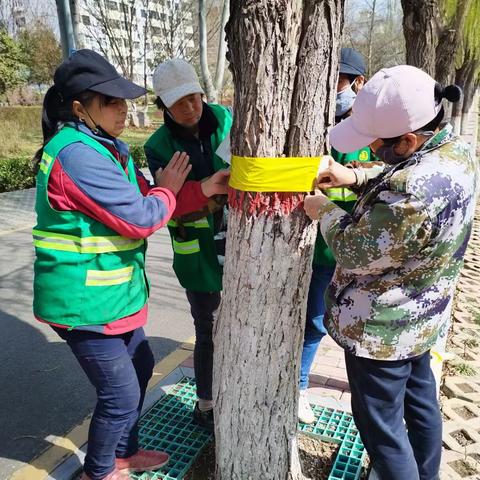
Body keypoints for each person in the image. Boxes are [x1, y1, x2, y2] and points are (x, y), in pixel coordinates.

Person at [33, 49, 227, 480]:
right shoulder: (76, 155)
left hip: (113, 297)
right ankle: (100, 471)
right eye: (112, 103)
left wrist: (198, 187)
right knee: (119, 394)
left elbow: (151, 197)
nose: (123, 111)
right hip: (81, 303)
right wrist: (169, 189)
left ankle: (125, 451)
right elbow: (141, 216)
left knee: (140, 366)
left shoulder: (108, 147)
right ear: (81, 109)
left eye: (124, 101)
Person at [304, 65, 478, 480]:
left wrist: (323, 210)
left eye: (377, 143)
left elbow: (354, 249)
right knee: (420, 406)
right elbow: (401, 177)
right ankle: (426, 473)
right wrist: (355, 177)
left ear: (408, 139)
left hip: (381, 331)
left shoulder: (415, 189)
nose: (372, 149)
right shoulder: (454, 151)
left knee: (382, 432)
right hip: (420, 319)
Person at [144, 58, 232, 432]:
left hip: (241, 240)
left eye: (194, 97)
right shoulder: (158, 146)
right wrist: (209, 190)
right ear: (164, 106)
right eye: (179, 102)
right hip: (197, 253)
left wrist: (192, 193)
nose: (191, 107)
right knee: (208, 328)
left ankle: (237, 390)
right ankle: (207, 404)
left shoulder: (226, 120)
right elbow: (167, 206)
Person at [298, 48, 372, 424]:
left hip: (348, 251)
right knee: (302, 319)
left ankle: (299, 385)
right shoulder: (312, 123)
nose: (333, 88)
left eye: (340, 79)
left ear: (358, 83)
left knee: (320, 322)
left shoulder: (375, 132)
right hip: (307, 247)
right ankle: (293, 384)